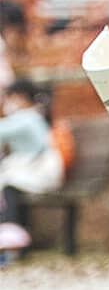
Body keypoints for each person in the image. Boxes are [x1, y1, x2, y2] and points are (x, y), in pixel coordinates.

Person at [0, 82, 62, 261]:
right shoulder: (34, 116)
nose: (7, 103)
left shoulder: (28, 119)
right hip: (33, 172)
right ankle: (13, 244)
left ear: (21, 97)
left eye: (10, 98)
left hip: (39, 174)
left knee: (9, 186)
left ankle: (10, 244)